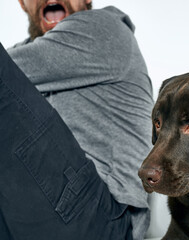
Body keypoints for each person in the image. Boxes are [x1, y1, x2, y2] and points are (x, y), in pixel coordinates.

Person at [1, 0, 154, 239]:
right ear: (22, 4)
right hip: (28, 212)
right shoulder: (22, 55)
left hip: (104, 218)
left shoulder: (104, 29)